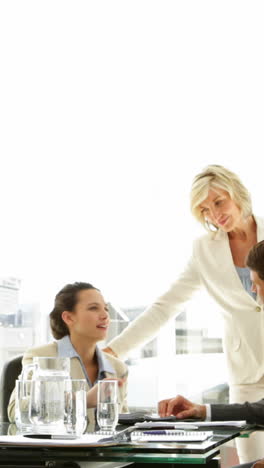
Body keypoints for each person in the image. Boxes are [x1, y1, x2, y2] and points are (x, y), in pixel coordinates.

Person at [104, 165, 264, 463]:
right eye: (204, 210)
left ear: (236, 193)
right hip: (248, 375)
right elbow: (166, 306)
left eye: (218, 202)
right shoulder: (205, 251)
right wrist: (114, 351)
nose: (214, 215)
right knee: (251, 463)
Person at [8, 282, 128, 430]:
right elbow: (16, 410)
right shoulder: (41, 356)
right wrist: (81, 400)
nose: (105, 316)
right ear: (69, 318)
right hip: (58, 451)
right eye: (93, 308)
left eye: (106, 309)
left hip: (105, 451)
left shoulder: (118, 367)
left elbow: (121, 423)